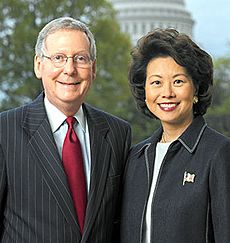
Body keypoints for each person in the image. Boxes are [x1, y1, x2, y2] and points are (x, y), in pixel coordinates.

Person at [0, 16, 131, 243]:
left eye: (80, 58)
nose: (69, 69)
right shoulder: (4, 131)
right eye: (58, 58)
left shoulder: (118, 133)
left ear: (93, 68)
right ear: (39, 66)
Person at [120, 28, 230, 243]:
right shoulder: (137, 157)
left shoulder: (219, 152)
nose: (167, 92)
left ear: (196, 89)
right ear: (145, 91)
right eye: (156, 82)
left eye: (178, 81)